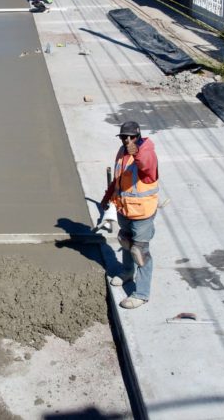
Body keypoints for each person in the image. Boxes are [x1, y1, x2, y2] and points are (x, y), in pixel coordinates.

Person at [100, 121, 159, 310]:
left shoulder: (146, 152)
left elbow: (148, 169)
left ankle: (141, 294)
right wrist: (108, 197)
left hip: (142, 211)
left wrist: (137, 152)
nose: (127, 140)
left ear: (138, 136)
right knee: (125, 241)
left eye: (131, 137)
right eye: (124, 136)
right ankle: (127, 272)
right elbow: (118, 178)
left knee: (140, 251)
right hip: (125, 208)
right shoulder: (122, 151)